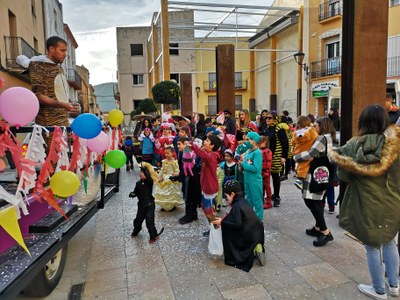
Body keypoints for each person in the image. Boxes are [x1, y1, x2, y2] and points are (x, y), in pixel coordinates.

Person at [329, 104, 400, 299]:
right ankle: (394, 286)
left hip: (367, 203)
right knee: (389, 241)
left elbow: (344, 175)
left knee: (372, 246)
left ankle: (378, 289)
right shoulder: (396, 144)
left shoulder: (354, 144)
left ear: (362, 122)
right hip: (393, 201)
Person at [293, 117, 335, 247]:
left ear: (323, 126)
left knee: (310, 200)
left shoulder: (323, 138)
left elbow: (311, 153)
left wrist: (296, 157)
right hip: (318, 171)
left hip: (316, 172)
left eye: (316, 125)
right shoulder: (325, 137)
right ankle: (318, 227)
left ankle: (325, 231)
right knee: (315, 200)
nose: (313, 127)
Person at [211, 180, 265, 272]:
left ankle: (252, 249)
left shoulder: (237, 206)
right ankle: (257, 246)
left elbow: (236, 224)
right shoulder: (243, 201)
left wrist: (222, 223)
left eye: (227, 196)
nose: (226, 199)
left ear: (232, 194)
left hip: (250, 238)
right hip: (258, 235)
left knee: (228, 231)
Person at [29, 36, 79, 126]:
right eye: (62, 50)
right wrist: (63, 105)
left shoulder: (59, 69)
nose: (65, 54)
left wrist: (69, 104)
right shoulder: (39, 67)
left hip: (62, 121)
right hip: (48, 123)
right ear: (51, 49)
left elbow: (58, 94)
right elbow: (39, 96)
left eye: (66, 51)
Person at [186, 135, 221, 235]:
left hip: (209, 188)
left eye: (207, 140)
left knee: (209, 210)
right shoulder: (209, 154)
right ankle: (214, 228)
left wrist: (193, 146)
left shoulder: (212, 156)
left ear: (212, 145)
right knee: (207, 209)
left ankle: (216, 229)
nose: (204, 142)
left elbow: (203, 155)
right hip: (206, 187)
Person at [129, 162, 164, 243]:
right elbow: (136, 192)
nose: (140, 174)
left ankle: (153, 236)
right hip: (141, 205)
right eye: (140, 172)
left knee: (149, 221)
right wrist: (132, 194)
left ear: (147, 174)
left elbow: (153, 175)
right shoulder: (138, 184)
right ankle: (136, 230)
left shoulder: (149, 182)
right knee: (138, 219)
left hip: (150, 205)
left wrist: (146, 166)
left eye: (143, 172)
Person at [264, 111, 288, 207]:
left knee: (275, 176)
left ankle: (277, 196)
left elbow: (285, 143)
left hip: (276, 156)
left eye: (269, 118)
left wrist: (284, 156)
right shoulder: (267, 128)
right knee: (267, 176)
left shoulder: (279, 129)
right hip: (267, 156)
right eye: (266, 118)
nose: (267, 119)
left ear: (275, 119)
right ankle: (270, 195)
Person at [238, 132, 263, 221]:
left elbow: (256, 168)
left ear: (254, 141)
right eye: (246, 139)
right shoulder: (248, 152)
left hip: (255, 180)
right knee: (248, 200)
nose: (246, 141)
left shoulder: (257, 153)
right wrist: (240, 166)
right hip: (247, 179)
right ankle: (249, 218)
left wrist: (243, 164)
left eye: (248, 140)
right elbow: (244, 165)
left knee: (257, 200)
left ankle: (258, 221)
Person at [177, 137, 201, 224]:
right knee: (191, 195)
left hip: (190, 178)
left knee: (189, 195)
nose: (178, 146)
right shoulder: (184, 152)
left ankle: (189, 215)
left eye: (179, 144)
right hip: (189, 177)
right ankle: (193, 213)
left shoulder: (188, 152)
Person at [292, 116, 318, 190]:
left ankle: (300, 179)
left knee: (301, 165)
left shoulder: (297, 133)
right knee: (304, 166)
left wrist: (293, 147)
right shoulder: (312, 131)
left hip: (300, 151)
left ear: (298, 125)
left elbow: (293, 142)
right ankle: (300, 179)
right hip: (308, 151)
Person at [153, 146, 183, 211]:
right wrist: (160, 176)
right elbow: (162, 170)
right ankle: (164, 205)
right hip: (164, 177)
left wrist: (176, 173)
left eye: (168, 153)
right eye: (165, 153)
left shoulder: (174, 162)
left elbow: (177, 170)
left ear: (172, 153)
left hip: (171, 178)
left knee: (171, 193)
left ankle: (172, 205)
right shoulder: (164, 161)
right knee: (163, 192)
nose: (166, 155)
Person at [259, 136, 272, 209]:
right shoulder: (260, 150)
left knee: (267, 187)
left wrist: (267, 171)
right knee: (261, 187)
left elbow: (268, 162)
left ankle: (268, 202)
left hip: (265, 172)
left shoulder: (267, 151)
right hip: (260, 171)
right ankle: (262, 201)